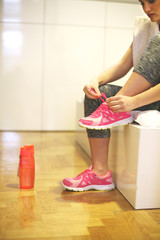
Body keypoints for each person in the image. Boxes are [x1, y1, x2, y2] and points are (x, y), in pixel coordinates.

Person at [62, 0, 160, 191]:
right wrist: (95, 81)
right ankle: (100, 174)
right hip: (146, 96)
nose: (146, 9)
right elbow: (123, 65)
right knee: (99, 94)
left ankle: (110, 111)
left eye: (151, 0)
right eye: (142, 3)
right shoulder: (147, 28)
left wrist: (133, 102)